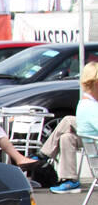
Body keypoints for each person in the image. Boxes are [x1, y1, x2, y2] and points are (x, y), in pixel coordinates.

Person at [42, 60, 98, 192]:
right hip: (93, 142)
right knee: (67, 133)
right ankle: (68, 178)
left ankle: (45, 155)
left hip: (92, 142)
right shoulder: (90, 106)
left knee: (67, 131)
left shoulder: (86, 104)